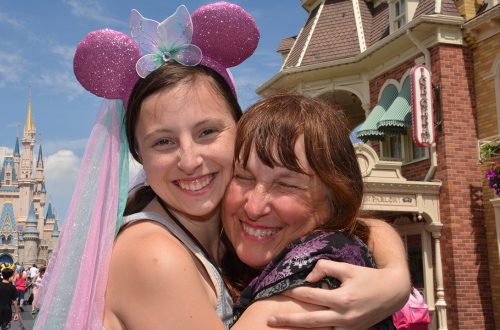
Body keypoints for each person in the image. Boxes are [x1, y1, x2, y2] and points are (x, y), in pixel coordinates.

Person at [36, 3, 409, 330]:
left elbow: (363, 224)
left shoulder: (226, 228)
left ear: (239, 128)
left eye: (207, 131)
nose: (190, 160)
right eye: (163, 142)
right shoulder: (155, 254)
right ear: (139, 154)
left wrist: (395, 277)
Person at [220, 94, 395, 328]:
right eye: (242, 177)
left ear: (336, 199)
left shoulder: (316, 282)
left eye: (286, 184)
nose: (254, 207)